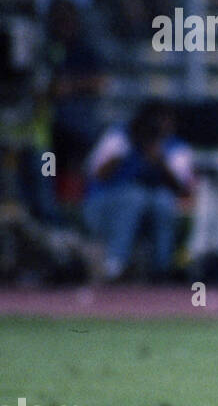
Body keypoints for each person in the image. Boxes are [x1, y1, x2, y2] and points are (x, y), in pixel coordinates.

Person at [83, 99, 194, 281]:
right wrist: (125, 151)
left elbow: (184, 191)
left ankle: (162, 268)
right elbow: (96, 174)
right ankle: (115, 264)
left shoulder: (175, 147)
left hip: (148, 210)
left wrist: (160, 162)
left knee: (163, 201)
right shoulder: (120, 136)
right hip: (103, 207)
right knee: (134, 197)